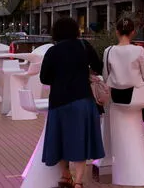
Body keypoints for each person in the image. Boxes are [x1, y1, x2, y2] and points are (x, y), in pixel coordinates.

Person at [39, 17, 104, 188]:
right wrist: (86, 72)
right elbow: (99, 66)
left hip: (59, 102)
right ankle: (79, 182)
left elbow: (44, 78)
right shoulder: (84, 46)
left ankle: (65, 176)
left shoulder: (52, 51)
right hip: (82, 100)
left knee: (60, 139)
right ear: (75, 30)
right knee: (79, 141)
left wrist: (60, 77)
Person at [104, 17, 144, 146]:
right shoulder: (139, 50)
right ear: (133, 32)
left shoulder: (108, 51)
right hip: (134, 97)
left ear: (117, 32)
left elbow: (106, 77)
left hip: (116, 96)